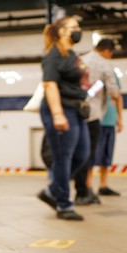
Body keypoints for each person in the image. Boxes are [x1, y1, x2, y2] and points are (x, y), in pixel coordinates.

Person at [35, 17, 89, 221]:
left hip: (76, 110)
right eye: (74, 28)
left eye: (78, 27)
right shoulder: (53, 55)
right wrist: (58, 114)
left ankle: (52, 191)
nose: (78, 31)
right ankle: (64, 204)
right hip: (60, 110)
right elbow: (50, 85)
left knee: (82, 155)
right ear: (60, 31)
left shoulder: (71, 54)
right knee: (63, 158)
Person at [73, 39, 123, 205]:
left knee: (81, 152)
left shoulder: (81, 59)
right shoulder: (104, 64)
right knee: (90, 153)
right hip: (93, 114)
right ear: (107, 51)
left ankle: (83, 189)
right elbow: (114, 91)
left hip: (78, 112)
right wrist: (114, 98)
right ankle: (85, 190)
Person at [94, 72, 122, 196]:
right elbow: (90, 95)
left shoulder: (113, 76)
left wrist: (120, 118)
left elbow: (119, 97)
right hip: (97, 121)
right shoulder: (95, 76)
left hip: (110, 121)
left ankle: (103, 185)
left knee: (106, 156)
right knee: (92, 156)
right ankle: (87, 186)